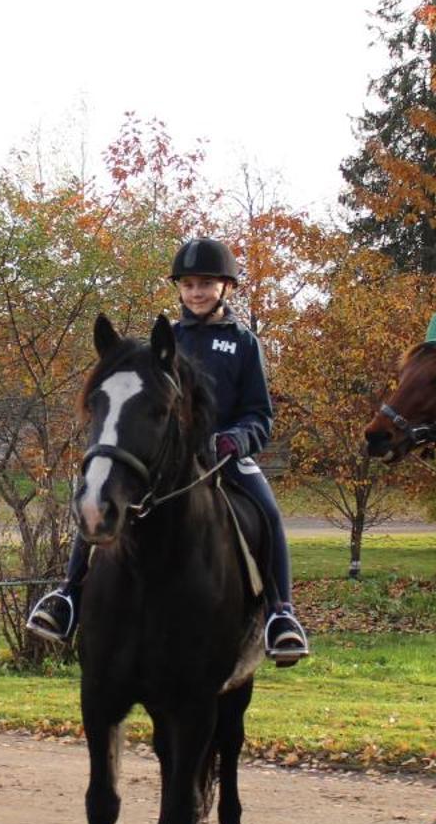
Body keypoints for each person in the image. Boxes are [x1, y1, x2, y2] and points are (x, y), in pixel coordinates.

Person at [25, 237, 310, 664]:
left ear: (225, 288)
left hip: (225, 456)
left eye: (206, 284)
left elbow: (259, 414)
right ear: (179, 288)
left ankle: (280, 613)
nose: (197, 292)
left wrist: (237, 440)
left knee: (268, 514)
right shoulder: (162, 342)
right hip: (167, 461)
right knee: (103, 499)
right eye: (189, 284)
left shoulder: (244, 342)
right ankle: (68, 596)